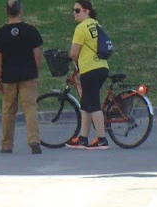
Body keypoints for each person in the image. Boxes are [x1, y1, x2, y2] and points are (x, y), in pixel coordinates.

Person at [0, 0, 45, 154]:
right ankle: (34, 141)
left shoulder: (1, 33)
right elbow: (37, 55)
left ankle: (6, 145)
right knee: (30, 108)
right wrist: (37, 71)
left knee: (8, 111)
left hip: (8, 77)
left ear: (6, 11)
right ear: (20, 10)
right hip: (28, 75)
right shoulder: (31, 31)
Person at [65, 0, 111, 150]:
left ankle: (102, 139)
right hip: (102, 67)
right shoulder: (96, 24)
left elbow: (73, 53)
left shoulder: (81, 28)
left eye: (77, 10)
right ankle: (83, 138)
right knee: (86, 104)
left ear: (87, 11)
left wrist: (70, 58)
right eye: (74, 10)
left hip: (90, 70)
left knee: (94, 105)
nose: (74, 13)